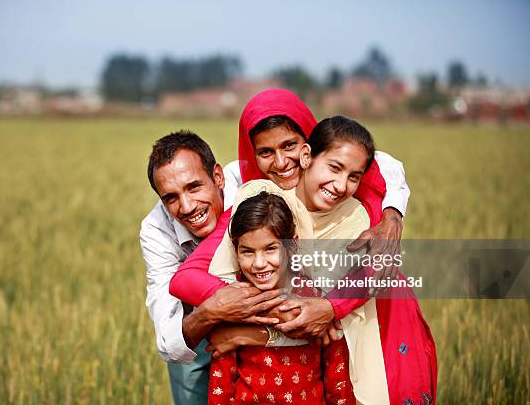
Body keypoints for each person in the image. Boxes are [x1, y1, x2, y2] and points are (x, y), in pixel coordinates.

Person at [173, 117, 437, 404]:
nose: (340, 184)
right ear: (308, 156)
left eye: (353, 176)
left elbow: (386, 165)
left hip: (378, 329)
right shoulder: (267, 206)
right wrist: (231, 308)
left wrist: (250, 334)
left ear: (302, 148)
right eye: (266, 152)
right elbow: (186, 279)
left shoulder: (359, 215)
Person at [140, 131, 284, 404]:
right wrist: (211, 311)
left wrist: (392, 213)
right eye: (171, 197)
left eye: (194, 187)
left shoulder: (247, 183)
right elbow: (169, 337)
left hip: (277, 320)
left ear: (218, 176)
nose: (187, 206)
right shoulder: (156, 230)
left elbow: (359, 157)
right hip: (201, 336)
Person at [207, 191, 355, 404]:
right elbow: (220, 385)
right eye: (247, 251)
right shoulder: (233, 303)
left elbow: (337, 375)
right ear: (235, 248)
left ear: (291, 243)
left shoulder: (315, 300)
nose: (259, 263)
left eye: (270, 249)